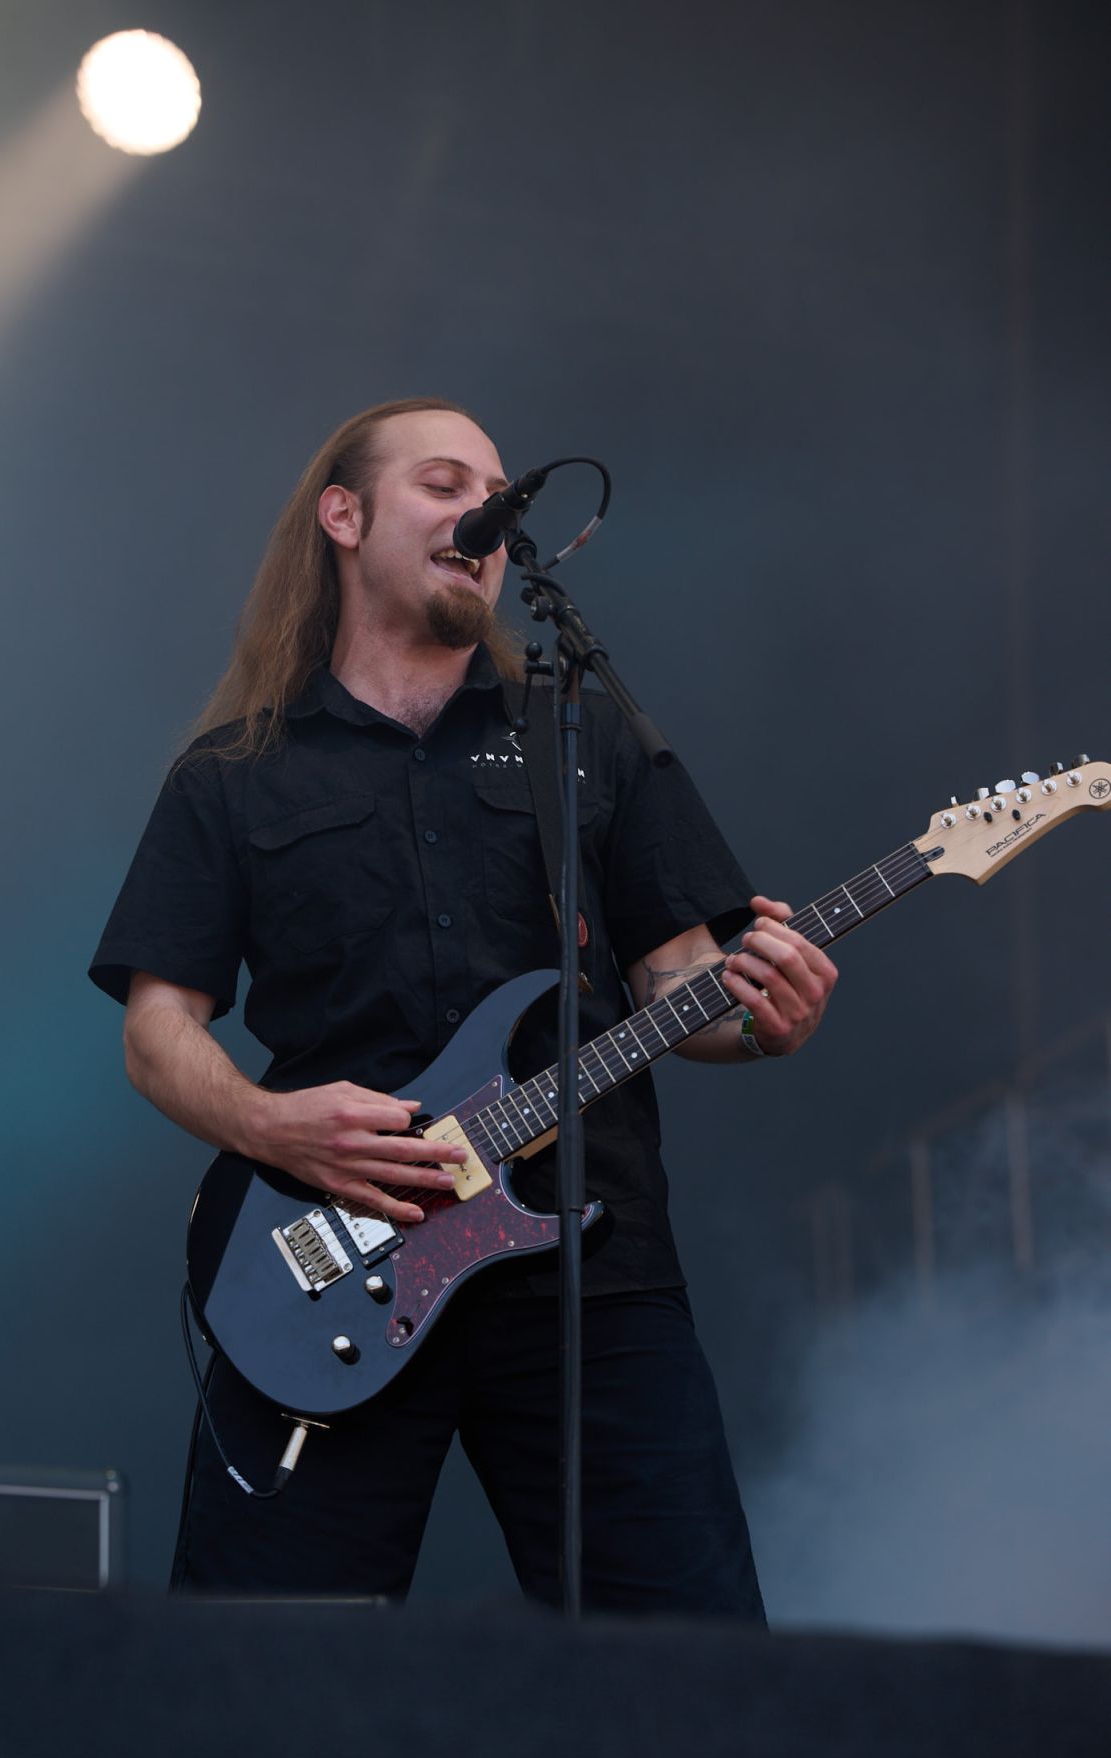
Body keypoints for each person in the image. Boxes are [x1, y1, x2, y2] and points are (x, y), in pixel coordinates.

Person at [89, 395, 837, 1613]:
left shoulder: (581, 733)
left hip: (589, 1272)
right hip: (335, 1261)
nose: (482, 513)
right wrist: (271, 1124)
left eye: (495, 496)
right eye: (442, 485)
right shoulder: (233, 773)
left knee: (681, 1666)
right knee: (261, 1668)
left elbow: (682, 986)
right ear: (343, 516)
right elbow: (155, 1028)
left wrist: (761, 1016)